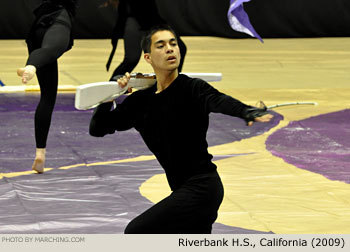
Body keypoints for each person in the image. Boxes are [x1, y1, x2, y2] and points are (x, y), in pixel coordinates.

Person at [89, 24, 273, 233]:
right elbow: (98, 128)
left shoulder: (192, 88)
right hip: (182, 189)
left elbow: (219, 100)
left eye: (173, 44)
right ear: (148, 58)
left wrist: (245, 111)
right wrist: (111, 94)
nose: (169, 49)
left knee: (137, 231)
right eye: (161, 45)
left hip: (203, 188)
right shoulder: (140, 102)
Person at [17, 0, 78, 173]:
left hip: (37, 28)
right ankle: (31, 67)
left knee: (47, 96)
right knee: (52, 50)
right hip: (58, 18)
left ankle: (40, 156)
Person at [102, 0, 187, 80]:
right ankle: (112, 86)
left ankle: (172, 82)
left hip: (151, 18)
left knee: (180, 48)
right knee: (131, 59)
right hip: (135, 19)